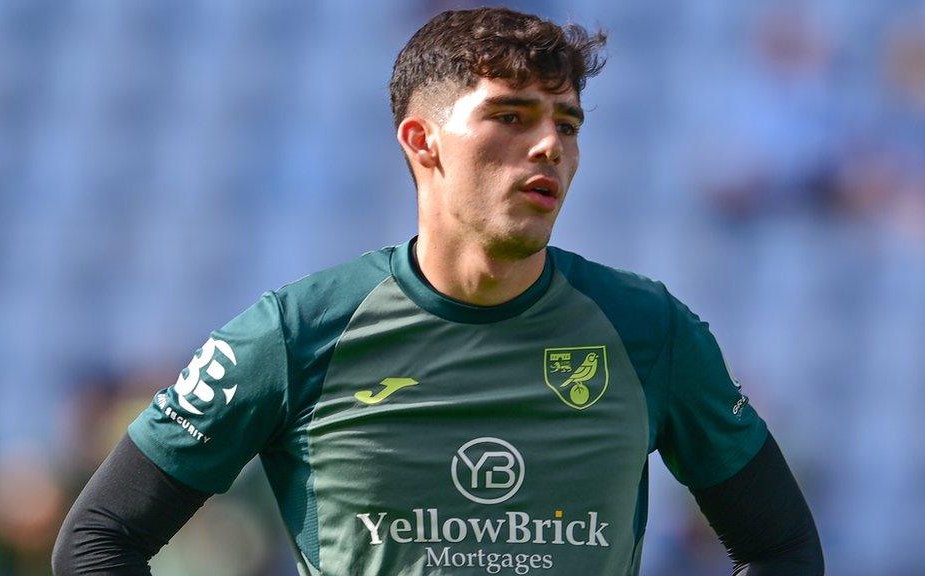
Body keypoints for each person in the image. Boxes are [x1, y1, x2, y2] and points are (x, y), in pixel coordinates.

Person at [53, 7, 823, 576]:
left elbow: (782, 548)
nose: (551, 143)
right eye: (511, 116)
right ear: (423, 142)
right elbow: (98, 541)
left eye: (568, 121)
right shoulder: (295, 332)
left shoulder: (648, 329)